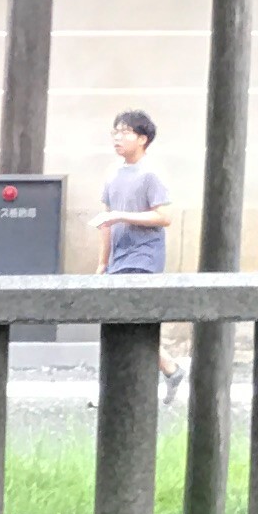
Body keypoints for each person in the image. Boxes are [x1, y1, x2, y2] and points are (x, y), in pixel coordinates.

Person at [98, 112, 181, 399]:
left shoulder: (151, 174)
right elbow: (106, 221)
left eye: (125, 132)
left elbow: (164, 217)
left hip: (144, 257)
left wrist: (124, 215)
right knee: (124, 322)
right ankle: (168, 370)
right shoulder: (113, 175)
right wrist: (102, 262)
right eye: (115, 132)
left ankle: (123, 389)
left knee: (131, 319)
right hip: (118, 259)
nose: (118, 138)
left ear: (143, 139)